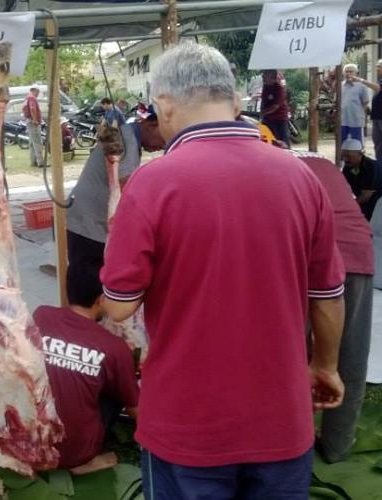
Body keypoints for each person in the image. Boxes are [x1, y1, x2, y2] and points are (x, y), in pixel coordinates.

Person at [100, 43, 345, 498]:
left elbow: (118, 307)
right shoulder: (300, 177)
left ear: (165, 104)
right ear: (234, 102)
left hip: (187, 424)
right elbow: (327, 293)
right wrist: (325, 365)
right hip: (280, 418)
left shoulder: (152, 184)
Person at [296, 151, 374, 464]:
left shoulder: (261, 165)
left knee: (288, 354)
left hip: (307, 253)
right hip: (356, 249)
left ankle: (288, 443)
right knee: (350, 352)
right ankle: (337, 445)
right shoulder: (321, 162)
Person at [34, 264, 139, 473]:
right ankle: (83, 461)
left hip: (31, 444)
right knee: (116, 385)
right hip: (74, 453)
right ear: (101, 299)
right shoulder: (113, 346)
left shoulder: (41, 315)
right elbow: (135, 408)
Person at [66, 107, 164, 278]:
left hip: (89, 217)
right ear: (151, 124)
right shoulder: (126, 140)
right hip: (89, 222)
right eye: (163, 139)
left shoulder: (129, 137)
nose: (162, 146)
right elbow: (126, 187)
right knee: (89, 285)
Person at [341, 138, 381, 221]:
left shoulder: (370, 167)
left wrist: (348, 207)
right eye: (344, 156)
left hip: (377, 200)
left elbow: (366, 195)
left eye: (349, 156)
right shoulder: (348, 166)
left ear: (360, 154)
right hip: (366, 200)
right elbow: (343, 188)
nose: (345, 159)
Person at [341, 63, 371, 144]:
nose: (348, 74)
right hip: (342, 121)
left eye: (351, 72)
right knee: (342, 144)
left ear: (356, 74)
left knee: (357, 145)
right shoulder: (340, 86)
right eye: (346, 72)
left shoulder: (361, 86)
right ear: (343, 73)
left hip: (356, 122)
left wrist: (358, 113)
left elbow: (365, 102)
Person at [260, 69, 290, 147]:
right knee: (267, 140)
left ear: (272, 77)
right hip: (268, 119)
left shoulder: (279, 89)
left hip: (279, 120)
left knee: (283, 143)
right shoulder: (265, 87)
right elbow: (264, 100)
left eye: (265, 75)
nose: (262, 76)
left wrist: (263, 112)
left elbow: (274, 107)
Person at [22, 87, 44, 168]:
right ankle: (40, 162)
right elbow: (32, 108)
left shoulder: (27, 98)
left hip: (28, 121)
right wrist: (35, 120)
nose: (38, 95)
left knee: (32, 143)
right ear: (35, 91)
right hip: (32, 122)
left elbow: (23, 108)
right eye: (38, 92)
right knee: (38, 142)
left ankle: (33, 161)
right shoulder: (32, 98)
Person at [369, 59, 382, 160]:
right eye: (377, 66)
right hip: (376, 116)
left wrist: (360, 80)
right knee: (377, 142)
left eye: (379, 66)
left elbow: (378, 88)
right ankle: (379, 164)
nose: (377, 68)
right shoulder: (380, 79)